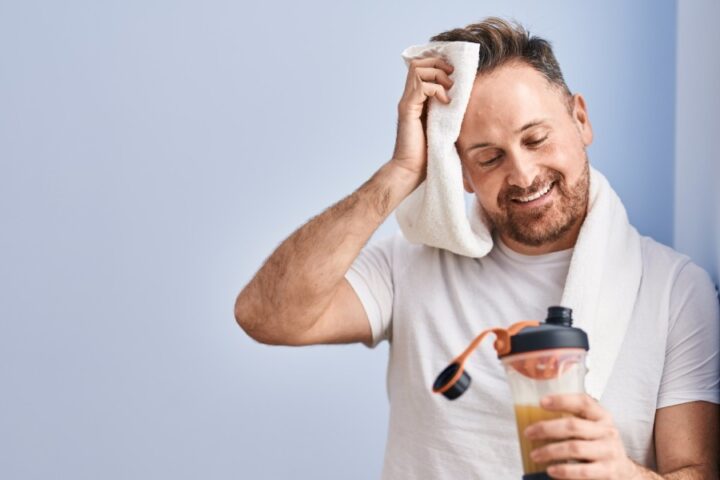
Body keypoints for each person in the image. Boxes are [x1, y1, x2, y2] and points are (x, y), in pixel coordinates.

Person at [234, 17, 719, 479]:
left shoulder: (672, 291)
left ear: (581, 119)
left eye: (537, 138)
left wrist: (621, 474)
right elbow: (267, 315)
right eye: (489, 158)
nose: (524, 176)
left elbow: (699, 472)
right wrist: (401, 172)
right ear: (460, 172)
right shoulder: (411, 265)